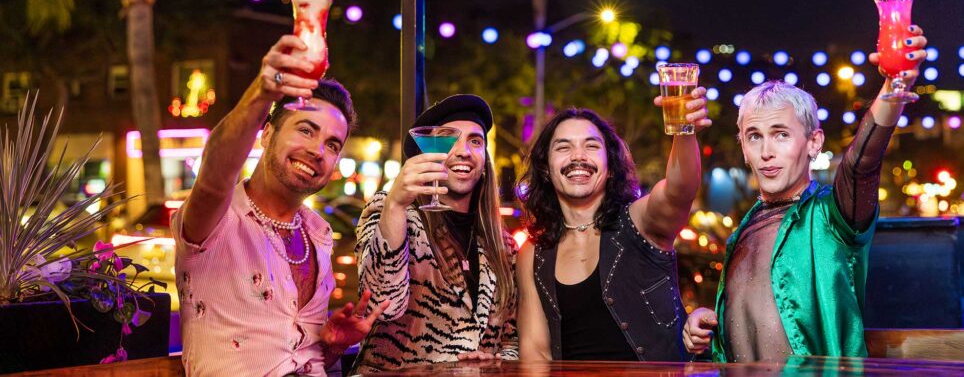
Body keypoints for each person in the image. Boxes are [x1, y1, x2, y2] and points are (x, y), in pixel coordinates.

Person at [683, 26, 927, 362]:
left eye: (781, 134)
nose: (766, 150)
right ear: (743, 148)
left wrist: (893, 88)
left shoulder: (834, 215)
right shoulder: (745, 228)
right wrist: (706, 324)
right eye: (754, 136)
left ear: (814, 143)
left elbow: (861, 164)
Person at [172, 35, 387, 377]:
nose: (318, 151)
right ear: (267, 134)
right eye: (306, 129)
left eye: (332, 144)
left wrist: (333, 345)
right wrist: (264, 90)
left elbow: (301, 357)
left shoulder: (319, 233)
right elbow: (214, 174)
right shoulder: (216, 218)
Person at [516, 90, 710, 362]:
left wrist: (684, 132)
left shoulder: (640, 221)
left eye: (591, 146)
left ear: (610, 165)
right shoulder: (533, 254)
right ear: (546, 168)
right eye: (563, 147)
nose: (578, 156)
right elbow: (535, 353)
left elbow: (679, 190)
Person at [352, 94, 517, 372]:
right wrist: (395, 204)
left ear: (484, 161)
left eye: (475, 141)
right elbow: (382, 305)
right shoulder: (389, 211)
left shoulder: (502, 243)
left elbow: (512, 342)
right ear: (426, 156)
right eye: (449, 139)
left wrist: (494, 363)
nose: (464, 151)